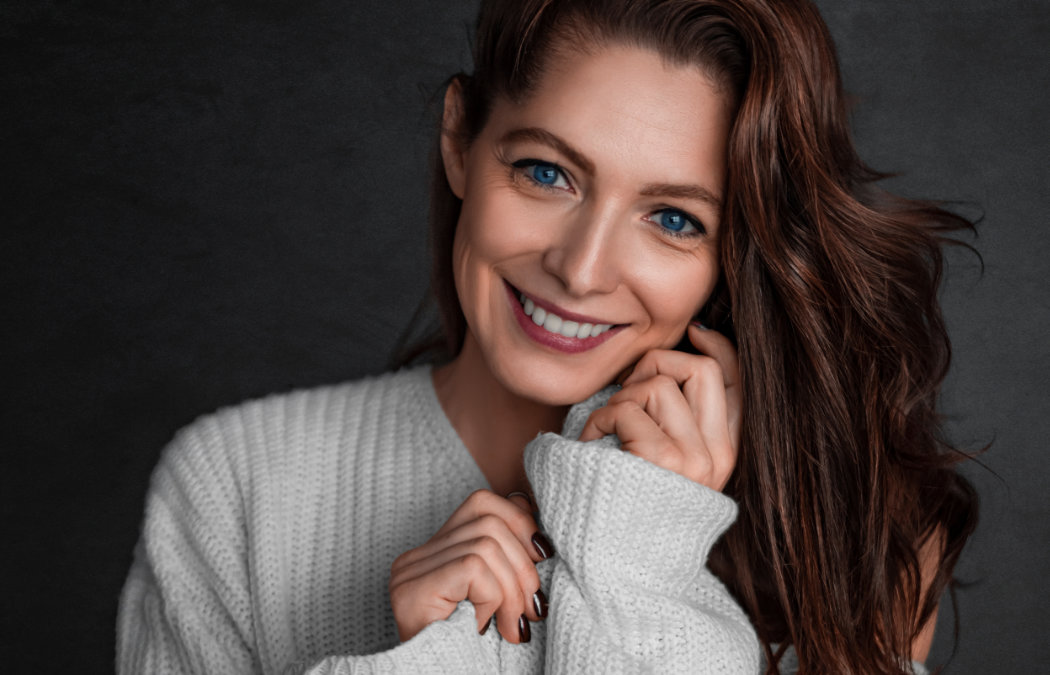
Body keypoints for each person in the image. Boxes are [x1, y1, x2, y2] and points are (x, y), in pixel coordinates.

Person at [116, 0, 979, 673]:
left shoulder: (855, 536)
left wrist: (641, 563)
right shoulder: (238, 487)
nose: (583, 267)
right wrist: (430, 656)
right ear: (460, 139)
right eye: (546, 172)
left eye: (674, 218)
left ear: (734, 255)